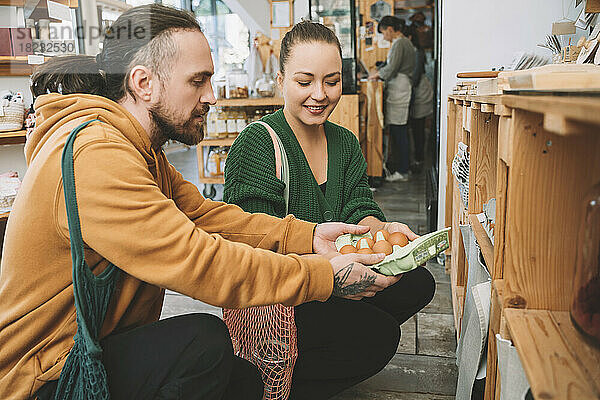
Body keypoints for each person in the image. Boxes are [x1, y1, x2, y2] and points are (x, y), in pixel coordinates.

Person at [0, 5, 400, 400]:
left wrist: (308, 236)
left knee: (241, 380)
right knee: (204, 344)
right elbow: (199, 261)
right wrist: (323, 275)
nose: (211, 95)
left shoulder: (138, 150)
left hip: (91, 349)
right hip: (44, 376)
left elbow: (206, 216)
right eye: (198, 80)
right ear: (143, 83)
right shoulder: (97, 156)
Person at [224, 21, 435, 399]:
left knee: (417, 281)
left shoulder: (344, 141)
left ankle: (329, 353)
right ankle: (280, 378)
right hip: (284, 294)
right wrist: (326, 271)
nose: (319, 94)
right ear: (280, 80)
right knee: (380, 337)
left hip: (335, 274)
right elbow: (252, 244)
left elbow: (359, 206)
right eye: (304, 82)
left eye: (332, 81)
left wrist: (387, 236)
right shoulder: (257, 144)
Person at [368, 16, 416, 182]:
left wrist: (376, 75)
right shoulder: (403, 43)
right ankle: (402, 168)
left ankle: (403, 170)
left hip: (400, 88)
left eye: (383, 33)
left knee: (398, 129)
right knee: (398, 129)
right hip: (401, 87)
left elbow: (392, 67)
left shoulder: (400, 43)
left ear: (389, 29)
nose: (384, 37)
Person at [406, 23, 434, 173]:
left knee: (418, 126)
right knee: (417, 126)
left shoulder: (416, 51)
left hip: (420, 92)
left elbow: (415, 77)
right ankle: (418, 158)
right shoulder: (415, 50)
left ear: (409, 37)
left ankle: (419, 159)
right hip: (418, 90)